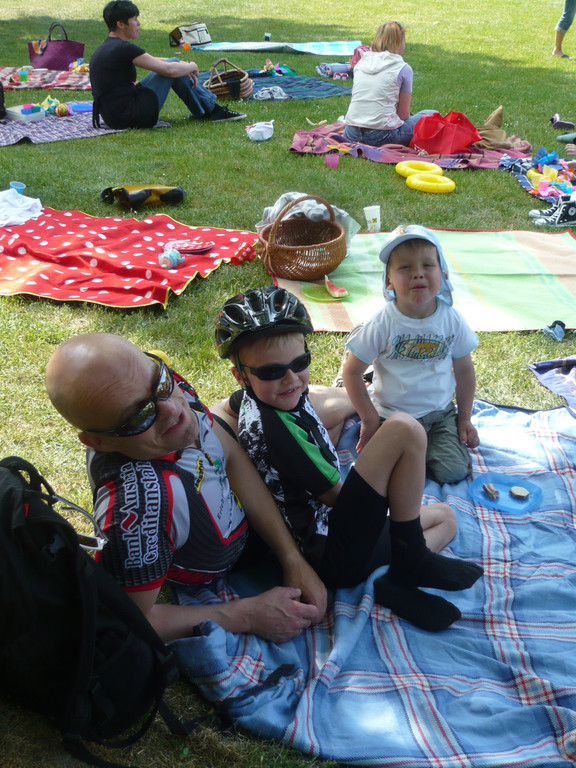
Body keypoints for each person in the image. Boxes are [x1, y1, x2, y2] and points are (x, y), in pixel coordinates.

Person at [215, 286, 483, 632]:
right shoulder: (280, 436)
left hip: (324, 541)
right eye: (271, 372)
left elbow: (230, 406)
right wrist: (388, 479)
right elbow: (339, 500)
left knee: (445, 517)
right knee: (405, 429)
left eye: (300, 363)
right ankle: (410, 563)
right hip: (331, 551)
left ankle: (398, 574)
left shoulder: (251, 399)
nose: (291, 380)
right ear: (241, 375)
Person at [45, 333, 327, 645]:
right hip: (226, 559)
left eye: (161, 382)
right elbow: (128, 620)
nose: (171, 409)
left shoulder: (160, 385)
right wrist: (247, 614)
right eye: (139, 416)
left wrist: (292, 557)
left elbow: (230, 457)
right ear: (99, 442)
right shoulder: (140, 508)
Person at [342, 224, 479, 485]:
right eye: (405, 267)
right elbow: (351, 373)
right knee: (381, 473)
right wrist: (369, 420)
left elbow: (464, 371)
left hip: (439, 416)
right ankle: (361, 347)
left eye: (427, 265)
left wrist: (464, 418)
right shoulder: (383, 322)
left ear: (444, 274)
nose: (417, 273)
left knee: (452, 471)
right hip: (391, 417)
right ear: (388, 281)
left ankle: (421, 451)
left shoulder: (451, 320)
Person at [90, 0, 245, 129]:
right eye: (135, 19)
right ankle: (212, 110)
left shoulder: (111, 46)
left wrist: (183, 64)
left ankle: (208, 110)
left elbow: (153, 60)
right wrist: (192, 66)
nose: (139, 23)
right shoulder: (123, 48)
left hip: (115, 115)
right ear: (120, 24)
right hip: (129, 116)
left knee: (175, 64)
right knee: (172, 68)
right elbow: (169, 70)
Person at [343, 21, 437, 147]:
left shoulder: (360, 63)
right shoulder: (403, 68)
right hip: (382, 136)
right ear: (399, 43)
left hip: (351, 133)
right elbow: (403, 115)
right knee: (432, 113)